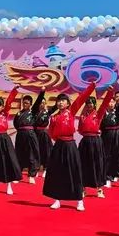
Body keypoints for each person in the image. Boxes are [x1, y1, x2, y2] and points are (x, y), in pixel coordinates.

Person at [43, 82, 96, 211]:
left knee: (74, 172)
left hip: (70, 145)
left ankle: (79, 201)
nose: (60, 103)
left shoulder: (71, 112)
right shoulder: (54, 117)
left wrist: (91, 87)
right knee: (57, 173)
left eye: (63, 101)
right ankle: (57, 199)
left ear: (67, 103)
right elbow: (51, 132)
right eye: (58, 101)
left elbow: (82, 98)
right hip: (59, 146)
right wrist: (57, 140)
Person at [78, 89, 114, 199]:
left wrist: (110, 93)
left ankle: (100, 189)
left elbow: (105, 103)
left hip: (96, 142)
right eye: (87, 103)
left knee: (98, 165)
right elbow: (79, 129)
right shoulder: (82, 116)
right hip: (85, 142)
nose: (89, 105)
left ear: (94, 105)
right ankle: (83, 189)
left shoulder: (98, 114)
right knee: (84, 165)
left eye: (91, 103)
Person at [13, 93, 40, 184]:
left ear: (30, 104)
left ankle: (31, 175)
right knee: (19, 154)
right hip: (20, 134)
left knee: (31, 154)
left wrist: (42, 92)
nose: (25, 104)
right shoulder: (19, 113)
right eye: (24, 103)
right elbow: (15, 124)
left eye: (27, 103)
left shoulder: (33, 112)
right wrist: (21, 131)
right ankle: (18, 175)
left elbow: (38, 102)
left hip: (30, 134)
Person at [101, 91, 119, 189]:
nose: (110, 104)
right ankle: (107, 178)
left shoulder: (118, 111)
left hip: (117, 133)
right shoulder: (102, 113)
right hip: (106, 135)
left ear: (115, 103)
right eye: (109, 102)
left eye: (112, 102)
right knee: (107, 157)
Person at [32, 90, 53, 178]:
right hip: (35, 134)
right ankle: (36, 169)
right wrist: (42, 92)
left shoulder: (47, 112)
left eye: (44, 103)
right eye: (41, 102)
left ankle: (45, 169)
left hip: (44, 134)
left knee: (46, 152)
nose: (42, 104)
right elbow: (38, 101)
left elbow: (56, 107)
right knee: (36, 152)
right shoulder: (34, 112)